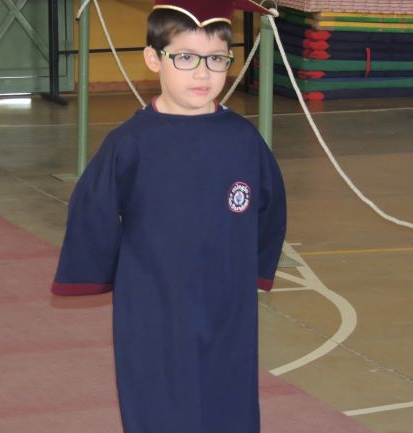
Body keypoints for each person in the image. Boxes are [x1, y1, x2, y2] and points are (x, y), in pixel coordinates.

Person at [51, 1, 287, 432]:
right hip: (154, 301)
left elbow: (270, 206)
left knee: (227, 393)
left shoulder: (242, 139)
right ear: (153, 58)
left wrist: (252, 269)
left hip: (227, 301)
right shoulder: (131, 142)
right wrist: (94, 271)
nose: (203, 73)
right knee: (159, 396)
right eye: (186, 58)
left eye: (216, 59)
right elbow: (93, 208)